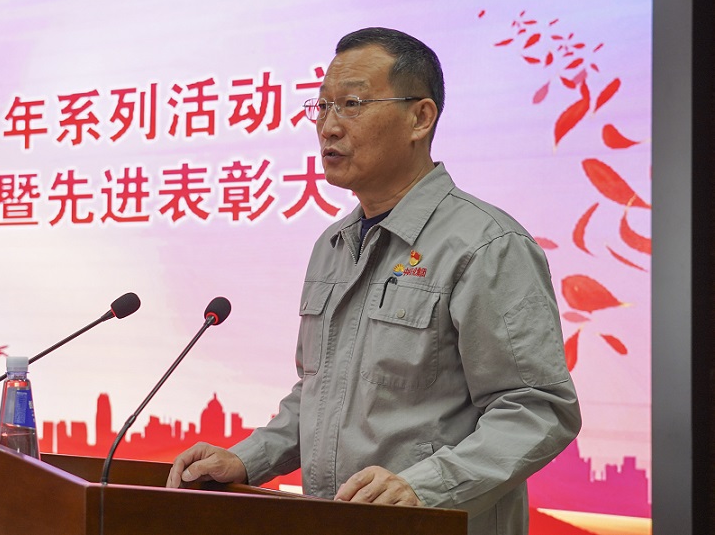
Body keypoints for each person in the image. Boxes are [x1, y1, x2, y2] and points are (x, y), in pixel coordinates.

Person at [166, 27, 581, 535]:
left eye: (352, 104)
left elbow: (538, 409)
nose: (328, 127)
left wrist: (425, 487)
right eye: (322, 106)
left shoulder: (486, 245)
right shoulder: (333, 245)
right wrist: (248, 459)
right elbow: (321, 394)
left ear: (420, 118)